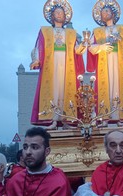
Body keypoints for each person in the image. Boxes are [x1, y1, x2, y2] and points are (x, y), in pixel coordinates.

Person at [30, 0, 86, 129]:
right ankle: (53, 120)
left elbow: (77, 50)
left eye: (61, 12)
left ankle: (67, 120)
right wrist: (36, 60)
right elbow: (39, 47)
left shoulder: (71, 33)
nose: (59, 14)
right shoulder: (45, 31)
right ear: (52, 16)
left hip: (67, 65)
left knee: (66, 91)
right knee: (53, 91)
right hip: (51, 64)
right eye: (57, 12)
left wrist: (84, 44)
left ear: (65, 16)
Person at [87, 0, 123, 125]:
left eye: (107, 11)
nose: (105, 14)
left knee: (119, 87)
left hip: (120, 63)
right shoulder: (97, 32)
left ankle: (119, 116)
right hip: (104, 65)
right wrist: (101, 47)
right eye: (102, 12)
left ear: (113, 13)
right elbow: (90, 47)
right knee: (105, 89)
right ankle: (105, 116)